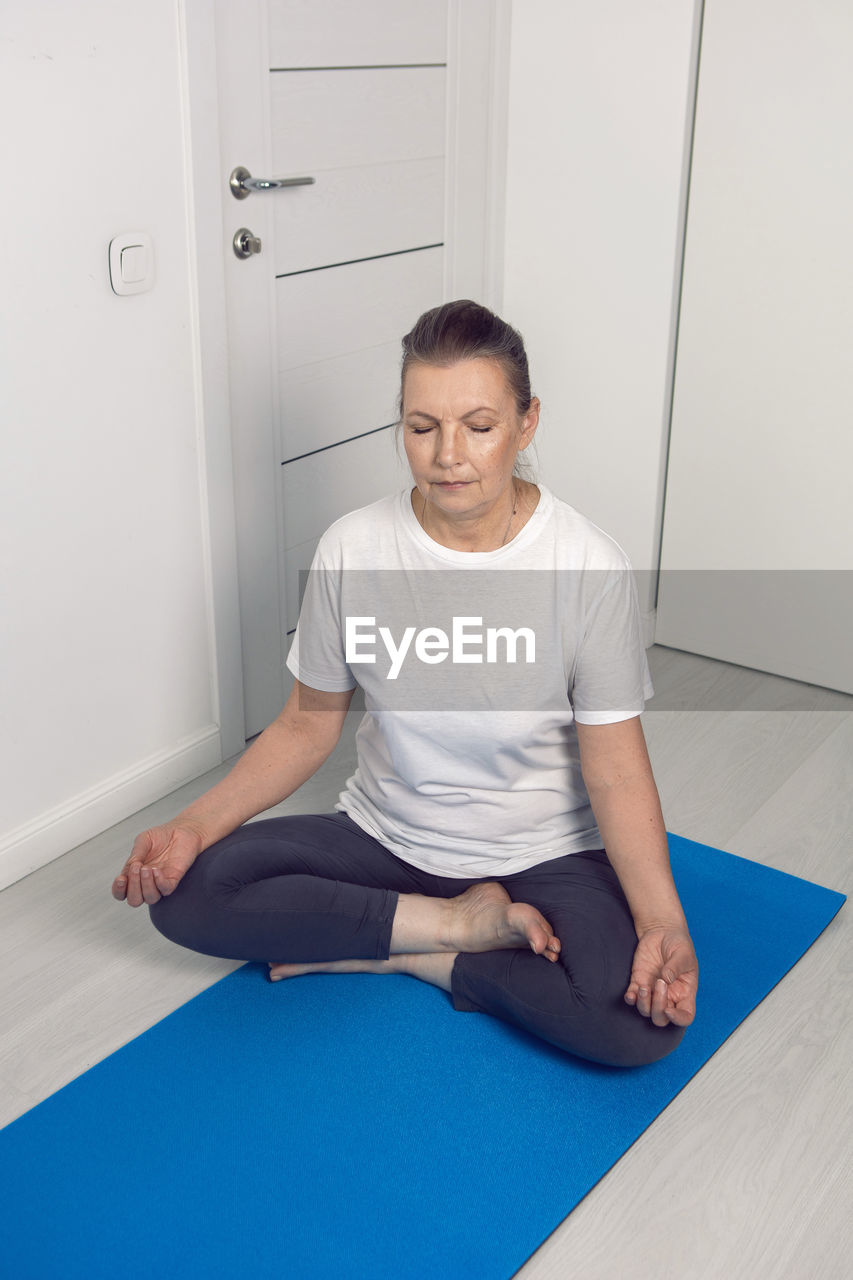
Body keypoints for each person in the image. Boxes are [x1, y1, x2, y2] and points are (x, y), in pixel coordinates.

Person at [112, 300, 698, 1067]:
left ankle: (401, 951)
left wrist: (661, 924)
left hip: (544, 852)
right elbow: (304, 725)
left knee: (636, 1024)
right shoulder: (354, 547)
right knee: (187, 894)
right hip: (387, 835)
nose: (447, 454)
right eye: (422, 427)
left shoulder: (588, 566)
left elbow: (616, 769)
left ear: (526, 424)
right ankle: (453, 927)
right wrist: (190, 827)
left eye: (479, 426)